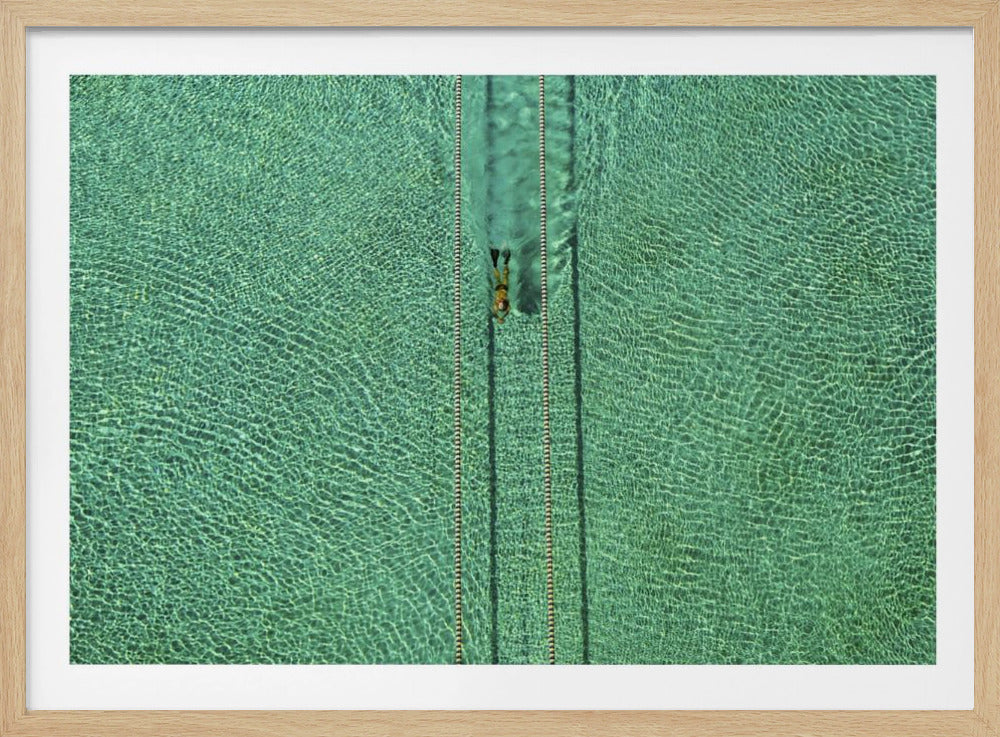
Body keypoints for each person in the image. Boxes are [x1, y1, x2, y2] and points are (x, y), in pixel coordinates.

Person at [491, 248, 511, 324]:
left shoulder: (496, 305)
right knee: (505, 275)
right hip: (504, 287)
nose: (501, 302)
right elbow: (508, 311)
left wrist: (498, 318)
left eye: (500, 304)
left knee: (497, 276)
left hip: (498, 287)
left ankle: (495, 263)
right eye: (503, 304)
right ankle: (506, 262)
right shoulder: (507, 305)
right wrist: (503, 317)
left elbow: (494, 312)